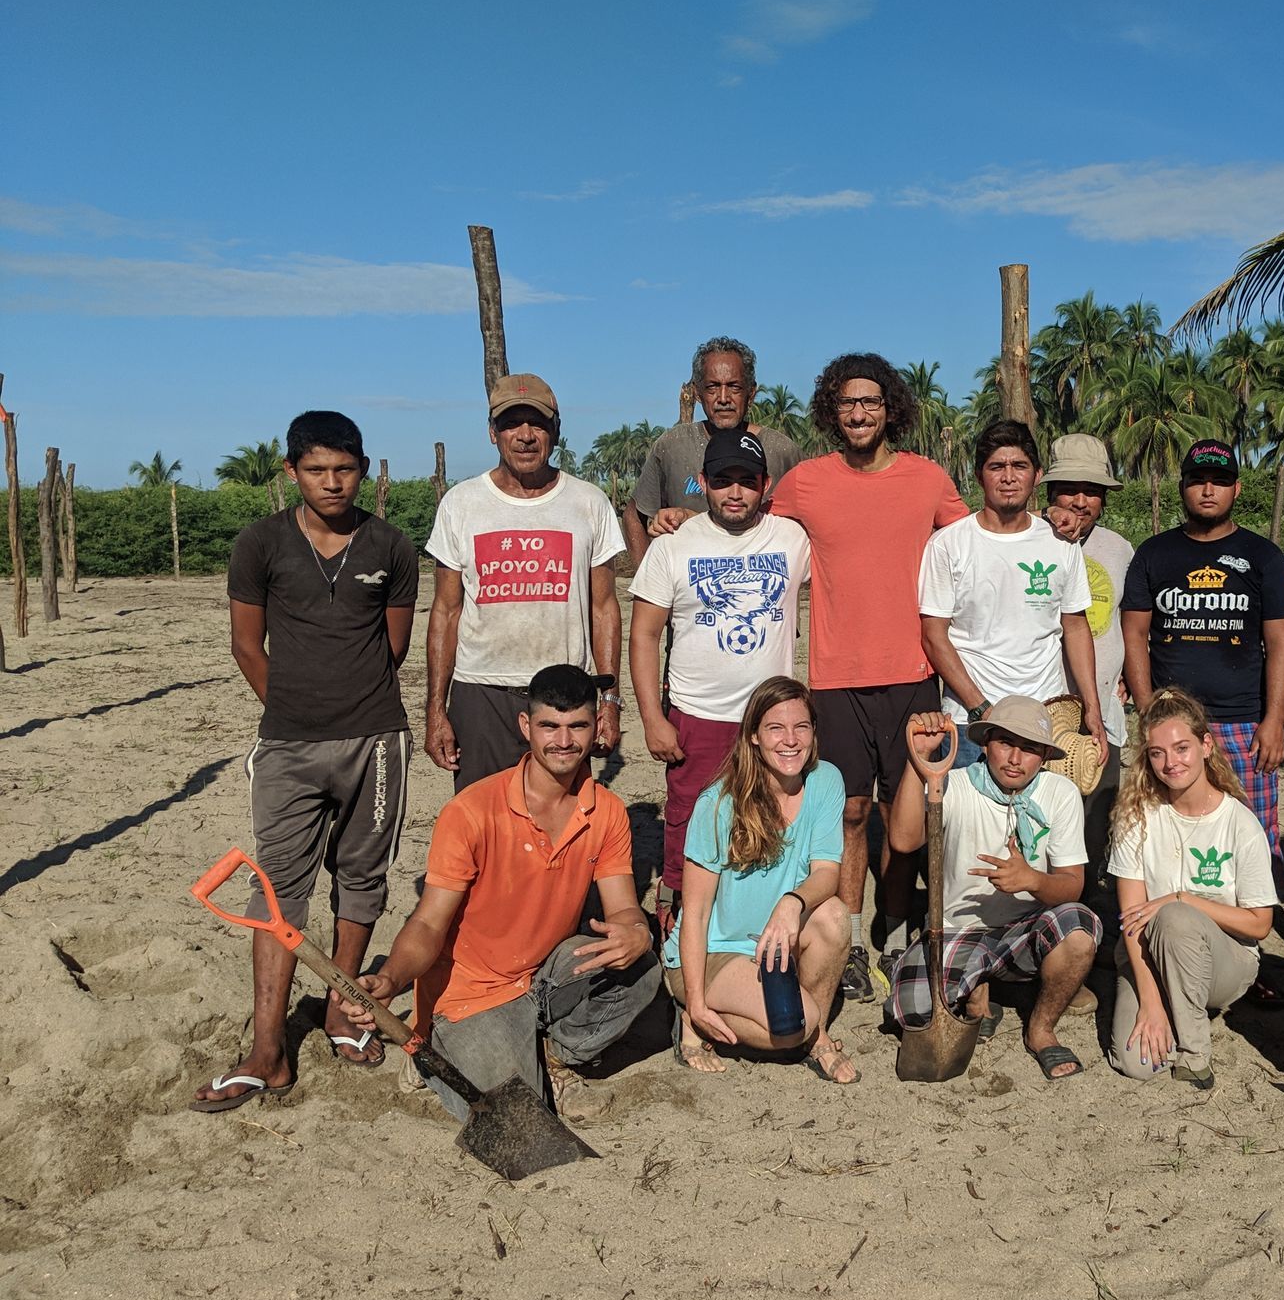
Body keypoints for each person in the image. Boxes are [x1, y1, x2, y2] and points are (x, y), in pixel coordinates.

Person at [657, 353, 970, 1000]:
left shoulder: (927, 479)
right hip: (833, 678)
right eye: (848, 403)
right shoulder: (806, 481)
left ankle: (897, 925)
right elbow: (739, 516)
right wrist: (681, 521)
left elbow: (976, 548)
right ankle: (851, 940)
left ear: (891, 410)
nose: (859, 413)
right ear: (832, 410)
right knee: (852, 812)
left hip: (912, 671)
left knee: (906, 816)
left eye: (871, 403)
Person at [193, 412, 417, 1110]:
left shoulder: (392, 545)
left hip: (376, 741)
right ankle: (268, 1049)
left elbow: (394, 647)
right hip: (288, 746)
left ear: (364, 470)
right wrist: (293, 709)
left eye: (344, 470)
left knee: (361, 879)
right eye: (317, 470)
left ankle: (341, 1013)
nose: (332, 482)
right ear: (291, 472)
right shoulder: (260, 543)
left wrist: (349, 709)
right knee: (277, 888)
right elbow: (245, 645)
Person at [338, 665, 660, 1122]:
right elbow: (428, 923)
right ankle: (440, 1047)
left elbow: (624, 906)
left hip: (543, 973)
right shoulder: (471, 811)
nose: (563, 741)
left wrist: (634, 931)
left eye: (577, 727)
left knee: (642, 969)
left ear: (598, 728)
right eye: (549, 725)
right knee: (514, 1114)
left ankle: (553, 1054)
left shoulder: (605, 811)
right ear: (526, 727)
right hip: (472, 991)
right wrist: (391, 978)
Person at [629, 428, 809, 933]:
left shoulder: (791, 539)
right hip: (697, 715)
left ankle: (753, 916)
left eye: (747, 482)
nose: (736, 493)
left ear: (765, 484)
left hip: (771, 717)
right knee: (689, 819)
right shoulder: (673, 547)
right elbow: (643, 635)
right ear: (703, 482)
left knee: (770, 816)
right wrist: (652, 720)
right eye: (724, 480)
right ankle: (679, 913)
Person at [423, 372, 626, 791]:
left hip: (565, 692)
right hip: (482, 691)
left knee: (563, 818)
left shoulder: (587, 502)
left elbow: (604, 607)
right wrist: (436, 710)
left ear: (555, 430)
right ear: (492, 432)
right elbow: (446, 610)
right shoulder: (462, 503)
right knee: (484, 822)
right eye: (512, 423)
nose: (526, 435)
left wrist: (609, 701)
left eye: (537, 423)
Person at [885, 699, 1098, 1081]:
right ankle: (978, 987)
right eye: (1005, 744)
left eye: (1030, 748)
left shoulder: (1060, 794)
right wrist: (916, 764)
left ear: (1046, 754)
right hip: (958, 929)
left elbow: (1072, 885)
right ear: (986, 744)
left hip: (1026, 932)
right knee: (910, 1010)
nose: (1015, 758)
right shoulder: (954, 783)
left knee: (1079, 928)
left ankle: (1041, 1028)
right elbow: (902, 841)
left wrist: (1032, 880)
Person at [664, 676, 859, 1083]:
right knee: (794, 1026)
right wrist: (697, 1002)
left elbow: (827, 872)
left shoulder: (826, 781)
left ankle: (813, 1034)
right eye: (775, 728)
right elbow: (695, 914)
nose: (790, 740)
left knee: (835, 916)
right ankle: (695, 1022)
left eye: (800, 727)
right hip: (711, 954)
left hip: (774, 943)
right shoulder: (719, 803)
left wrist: (792, 903)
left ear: (813, 732)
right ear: (753, 736)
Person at [1122, 439, 1284, 868]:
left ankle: (1249, 916)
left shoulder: (1263, 557)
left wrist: (1273, 719)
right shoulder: (1154, 553)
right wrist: (1147, 710)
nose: (1208, 490)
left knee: (1251, 829)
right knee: (1168, 828)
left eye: (1220, 481)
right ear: (1183, 487)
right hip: (1172, 722)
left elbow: (1281, 643)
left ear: (1236, 490)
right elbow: (1135, 634)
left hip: (1243, 721)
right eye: (1198, 481)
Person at [1104, 688, 1277, 1089]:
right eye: (1157, 753)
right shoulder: (1137, 816)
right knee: (1138, 1063)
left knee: (1176, 915)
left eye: (1181, 748)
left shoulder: (1239, 823)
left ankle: (1195, 1052)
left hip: (1224, 961)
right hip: (1148, 952)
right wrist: (1150, 1001)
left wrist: (1184, 898)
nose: (1170, 763)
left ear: (1205, 745)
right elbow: (1131, 920)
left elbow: (1259, 925)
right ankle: (1168, 1004)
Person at [919, 418, 1106, 770]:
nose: (1008, 477)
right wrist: (982, 709)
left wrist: (1092, 707)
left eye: (1019, 466)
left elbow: (1076, 627)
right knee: (971, 825)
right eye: (996, 467)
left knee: (1046, 823)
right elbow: (933, 636)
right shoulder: (948, 544)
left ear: (1037, 475)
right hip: (970, 722)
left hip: (1047, 719)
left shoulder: (1061, 542)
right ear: (979, 476)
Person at [1041, 433, 1134, 946]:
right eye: (1068, 488)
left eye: (1092, 490)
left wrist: (1122, 677)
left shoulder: (1119, 550)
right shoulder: (1029, 539)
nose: (1079, 501)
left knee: (1096, 825)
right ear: (1048, 489)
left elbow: (1126, 625)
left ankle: (1086, 929)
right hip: (1041, 716)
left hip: (1104, 717)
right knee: (1042, 829)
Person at [619, 336, 803, 565]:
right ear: (697, 393)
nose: (723, 399)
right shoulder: (672, 446)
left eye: (734, 387)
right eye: (713, 387)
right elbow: (633, 516)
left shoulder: (782, 451)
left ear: (751, 393)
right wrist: (647, 578)